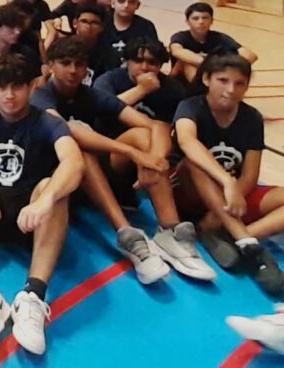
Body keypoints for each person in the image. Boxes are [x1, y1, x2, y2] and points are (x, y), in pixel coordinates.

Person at [31, 36, 215, 285]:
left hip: (96, 178)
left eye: (79, 64)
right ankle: (127, 235)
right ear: (51, 65)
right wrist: (132, 153)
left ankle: (170, 230)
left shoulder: (91, 94)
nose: (73, 70)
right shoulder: (41, 96)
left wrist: (154, 160)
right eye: (65, 63)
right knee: (81, 152)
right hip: (54, 182)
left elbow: (155, 126)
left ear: (86, 69)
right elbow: (68, 131)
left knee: (143, 135)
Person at [0, 54, 84, 355]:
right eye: (1, 87)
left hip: (30, 218)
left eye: (17, 87)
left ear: (32, 87)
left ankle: (33, 295)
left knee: (54, 189)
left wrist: (45, 200)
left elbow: (74, 162)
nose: (9, 95)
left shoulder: (47, 122)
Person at [175, 54, 284, 295]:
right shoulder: (191, 107)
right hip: (192, 192)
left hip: (232, 198)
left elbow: (250, 174)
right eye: (223, 80)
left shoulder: (252, 117)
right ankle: (250, 246)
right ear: (206, 79)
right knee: (194, 161)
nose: (231, 90)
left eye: (239, 83)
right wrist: (227, 182)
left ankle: (234, 234)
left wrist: (228, 200)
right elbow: (187, 142)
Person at [170, 2, 258, 82]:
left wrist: (226, 66)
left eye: (205, 18)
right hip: (183, 82)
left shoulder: (219, 38)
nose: (201, 22)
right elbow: (177, 51)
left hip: (213, 76)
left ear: (212, 21)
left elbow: (250, 55)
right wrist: (209, 64)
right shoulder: (180, 36)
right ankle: (200, 88)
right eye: (195, 18)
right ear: (187, 22)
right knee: (186, 61)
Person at [99, 0, 159, 66]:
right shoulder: (101, 23)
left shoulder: (146, 27)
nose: (126, 5)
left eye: (131, 2)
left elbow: (154, 55)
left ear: (138, 5)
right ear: (113, 3)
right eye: (121, 1)